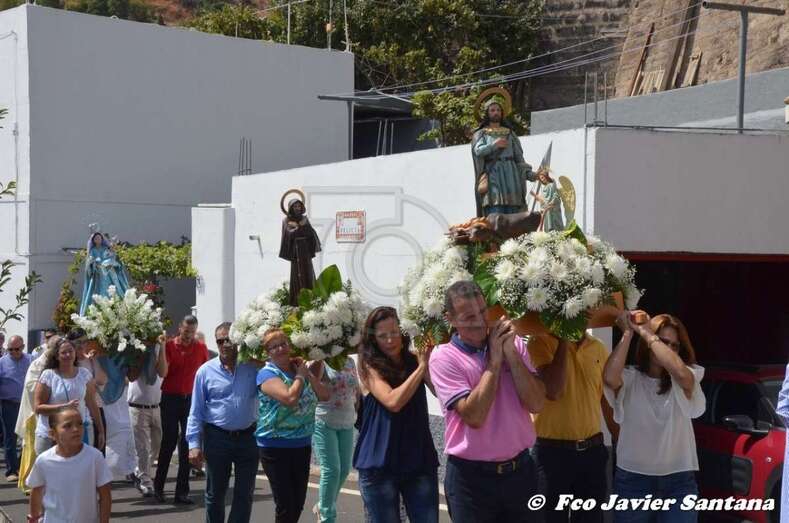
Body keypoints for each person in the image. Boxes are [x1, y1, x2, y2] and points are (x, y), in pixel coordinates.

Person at [430, 281, 546, 521]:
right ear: (450, 319)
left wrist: (511, 355)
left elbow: (536, 404)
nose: (480, 321)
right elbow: (474, 416)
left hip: (520, 473)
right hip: (471, 481)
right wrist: (494, 361)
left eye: (483, 311)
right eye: (469, 317)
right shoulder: (444, 357)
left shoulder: (514, 344)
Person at [603, 312, 705, 522]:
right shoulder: (630, 378)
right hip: (633, 481)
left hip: (679, 482)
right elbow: (610, 378)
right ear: (646, 347)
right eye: (663, 341)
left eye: (674, 346)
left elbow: (682, 375)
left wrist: (648, 334)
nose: (668, 348)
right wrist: (628, 333)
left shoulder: (687, 375)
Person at [353, 307, 439, 523]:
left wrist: (428, 363)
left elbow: (441, 392)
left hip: (418, 459)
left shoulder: (415, 360)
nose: (390, 340)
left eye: (394, 332)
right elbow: (393, 401)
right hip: (379, 463)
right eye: (383, 336)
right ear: (373, 339)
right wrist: (421, 369)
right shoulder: (368, 366)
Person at [527, 329, 617, 523]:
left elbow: (605, 400)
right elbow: (554, 390)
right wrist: (564, 339)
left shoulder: (598, 347)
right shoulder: (538, 342)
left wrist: (619, 438)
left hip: (592, 453)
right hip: (551, 455)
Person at [186, 322, 259, 523]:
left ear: (238, 341)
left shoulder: (252, 367)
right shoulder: (205, 371)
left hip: (248, 438)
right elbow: (196, 411)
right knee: (215, 494)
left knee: (245, 494)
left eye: (229, 339)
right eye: (220, 341)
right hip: (217, 438)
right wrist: (194, 444)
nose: (225, 344)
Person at [257, 328, 329, 523]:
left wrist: (307, 374)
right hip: (275, 446)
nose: (280, 349)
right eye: (274, 347)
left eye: (283, 344)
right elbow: (289, 398)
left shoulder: (300, 369)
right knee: (286, 504)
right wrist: (300, 376)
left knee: (297, 503)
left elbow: (324, 395)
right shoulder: (266, 374)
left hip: (301, 444)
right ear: (267, 353)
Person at [154, 315, 209, 504]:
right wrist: (162, 347)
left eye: (192, 332)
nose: (188, 335)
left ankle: (182, 492)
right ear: (180, 328)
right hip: (170, 398)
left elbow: (205, 374)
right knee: (169, 442)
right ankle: (159, 487)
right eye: (186, 331)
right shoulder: (170, 346)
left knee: (187, 443)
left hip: (190, 400)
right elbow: (162, 372)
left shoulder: (200, 348)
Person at [26, 407, 112, 523]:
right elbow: (36, 491)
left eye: (80, 424)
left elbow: (105, 495)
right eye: (67, 426)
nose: (76, 429)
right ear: (53, 433)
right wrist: (34, 517)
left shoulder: (94, 457)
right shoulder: (44, 460)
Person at [33, 337, 104, 456]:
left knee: (79, 466)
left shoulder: (84, 374)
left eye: (70, 351)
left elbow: (92, 404)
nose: (68, 355)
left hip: (78, 432)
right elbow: (38, 407)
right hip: (50, 434)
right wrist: (63, 407)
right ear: (57, 356)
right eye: (63, 352)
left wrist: (101, 431)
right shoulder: (48, 375)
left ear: (75, 353)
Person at [312, 356, 360, 523]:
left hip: (347, 421)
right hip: (324, 420)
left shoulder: (350, 361)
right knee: (331, 470)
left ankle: (323, 504)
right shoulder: (320, 361)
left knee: (344, 470)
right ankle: (326, 516)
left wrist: (358, 410)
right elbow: (312, 388)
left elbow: (356, 389)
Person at [471, 98, 538, 217]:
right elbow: (478, 151)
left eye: (498, 110)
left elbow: (519, 158)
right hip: (493, 174)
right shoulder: (482, 134)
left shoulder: (510, 134)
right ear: (487, 113)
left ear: (502, 113)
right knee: (495, 209)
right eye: (492, 110)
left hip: (511, 174)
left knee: (514, 210)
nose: (496, 112)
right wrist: (494, 145)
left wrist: (530, 174)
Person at [128, 331, 168, 496]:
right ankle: (145, 482)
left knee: (158, 445)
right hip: (137, 407)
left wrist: (161, 347)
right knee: (143, 448)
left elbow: (163, 372)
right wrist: (143, 352)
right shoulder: (135, 349)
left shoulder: (161, 350)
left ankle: (139, 471)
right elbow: (132, 376)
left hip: (156, 406)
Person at [0, 335, 32, 481]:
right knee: (10, 437)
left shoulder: (31, 360)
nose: (13, 352)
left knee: (28, 436)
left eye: (16, 349)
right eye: (10, 349)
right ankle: (11, 470)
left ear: (23, 347)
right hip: (9, 404)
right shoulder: (2, 362)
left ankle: (21, 465)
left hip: (27, 404)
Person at [279, 198, 322, 306]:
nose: (297, 208)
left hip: (305, 251)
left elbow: (310, 233)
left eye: (299, 206)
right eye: (295, 206)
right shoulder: (286, 220)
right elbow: (289, 234)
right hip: (295, 252)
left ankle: (310, 300)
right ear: (291, 208)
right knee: (297, 274)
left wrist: (301, 227)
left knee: (308, 273)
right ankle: (296, 302)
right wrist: (300, 227)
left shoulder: (304, 219)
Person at [72, 329, 108, 455]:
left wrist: (94, 361)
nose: (82, 346)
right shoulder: (70, 363)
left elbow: (102, 380)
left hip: (96, 408)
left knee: (98, 451)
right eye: (79, 343)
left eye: (85, 342)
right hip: (79, 411)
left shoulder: (92, 359)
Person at [79, 231, 131, 315]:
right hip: (98, 274)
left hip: (108, 273)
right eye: (96, 238)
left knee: (112, 289)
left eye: (99, 238)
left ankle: (115, 306)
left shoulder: (106, 248)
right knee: (98, 291)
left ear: (102, 239)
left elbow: (112, 257)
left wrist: (108, 261)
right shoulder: (92, 250)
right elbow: (89, 261)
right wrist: (93, 262)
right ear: (93, 240)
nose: (98, 239)